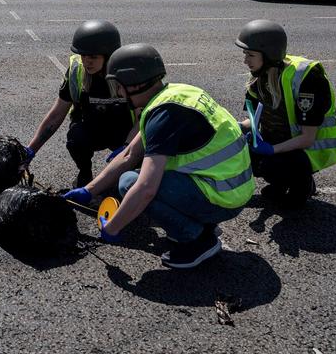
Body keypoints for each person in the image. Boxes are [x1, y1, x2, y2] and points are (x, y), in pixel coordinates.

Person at [63, 44, 254, 269]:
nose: (120, 93)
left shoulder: (163, 116)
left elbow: (146, 189)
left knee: (130, 183)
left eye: (119, 86)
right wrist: (89, 191)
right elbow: (128, 155)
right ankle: (202, 223)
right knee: (136, 178)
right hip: (231, 186)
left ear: (134, 84)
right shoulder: (172, 96)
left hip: (224, 197)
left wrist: (112, 228)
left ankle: (197, 240)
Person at [234, 20, 336, 209]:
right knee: (238, 153)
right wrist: (235, 128)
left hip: (309, 150)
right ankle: (280, 183)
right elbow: (254, 118)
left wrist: (271, 150)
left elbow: (308, 139)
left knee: (272, 165)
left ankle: (302, 185)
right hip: (282, 141)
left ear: (268, 55)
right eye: (245, 54)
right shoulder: (260, 77)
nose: (245, 61)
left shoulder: (307, 79)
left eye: (250, 55)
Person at [25, 20, 132, 188]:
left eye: (93, 57)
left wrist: (128, 148)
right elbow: (56, 114)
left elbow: (144, 119)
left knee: (126, 182)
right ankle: (85, 172)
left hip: (123, 132)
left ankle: (121, 172)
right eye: (83, 56)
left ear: (109, 55)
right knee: (76, 138)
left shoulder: (127, 74)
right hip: (91, 128)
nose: (86, 61)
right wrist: (30, 150)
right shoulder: (77, 71)